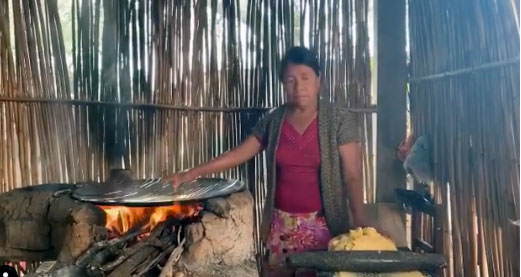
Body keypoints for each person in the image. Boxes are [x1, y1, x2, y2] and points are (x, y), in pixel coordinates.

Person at [163, 46, 369, 276]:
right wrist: (190, 174)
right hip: (280, 228)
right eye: (290, 80)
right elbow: (239, 153)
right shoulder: (274, 121)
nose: (299, 86)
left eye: (305, 78)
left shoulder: (339, 121)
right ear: (282, 84)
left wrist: (359, 221)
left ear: (319, 80)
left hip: (324, 228)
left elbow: (352, 175)